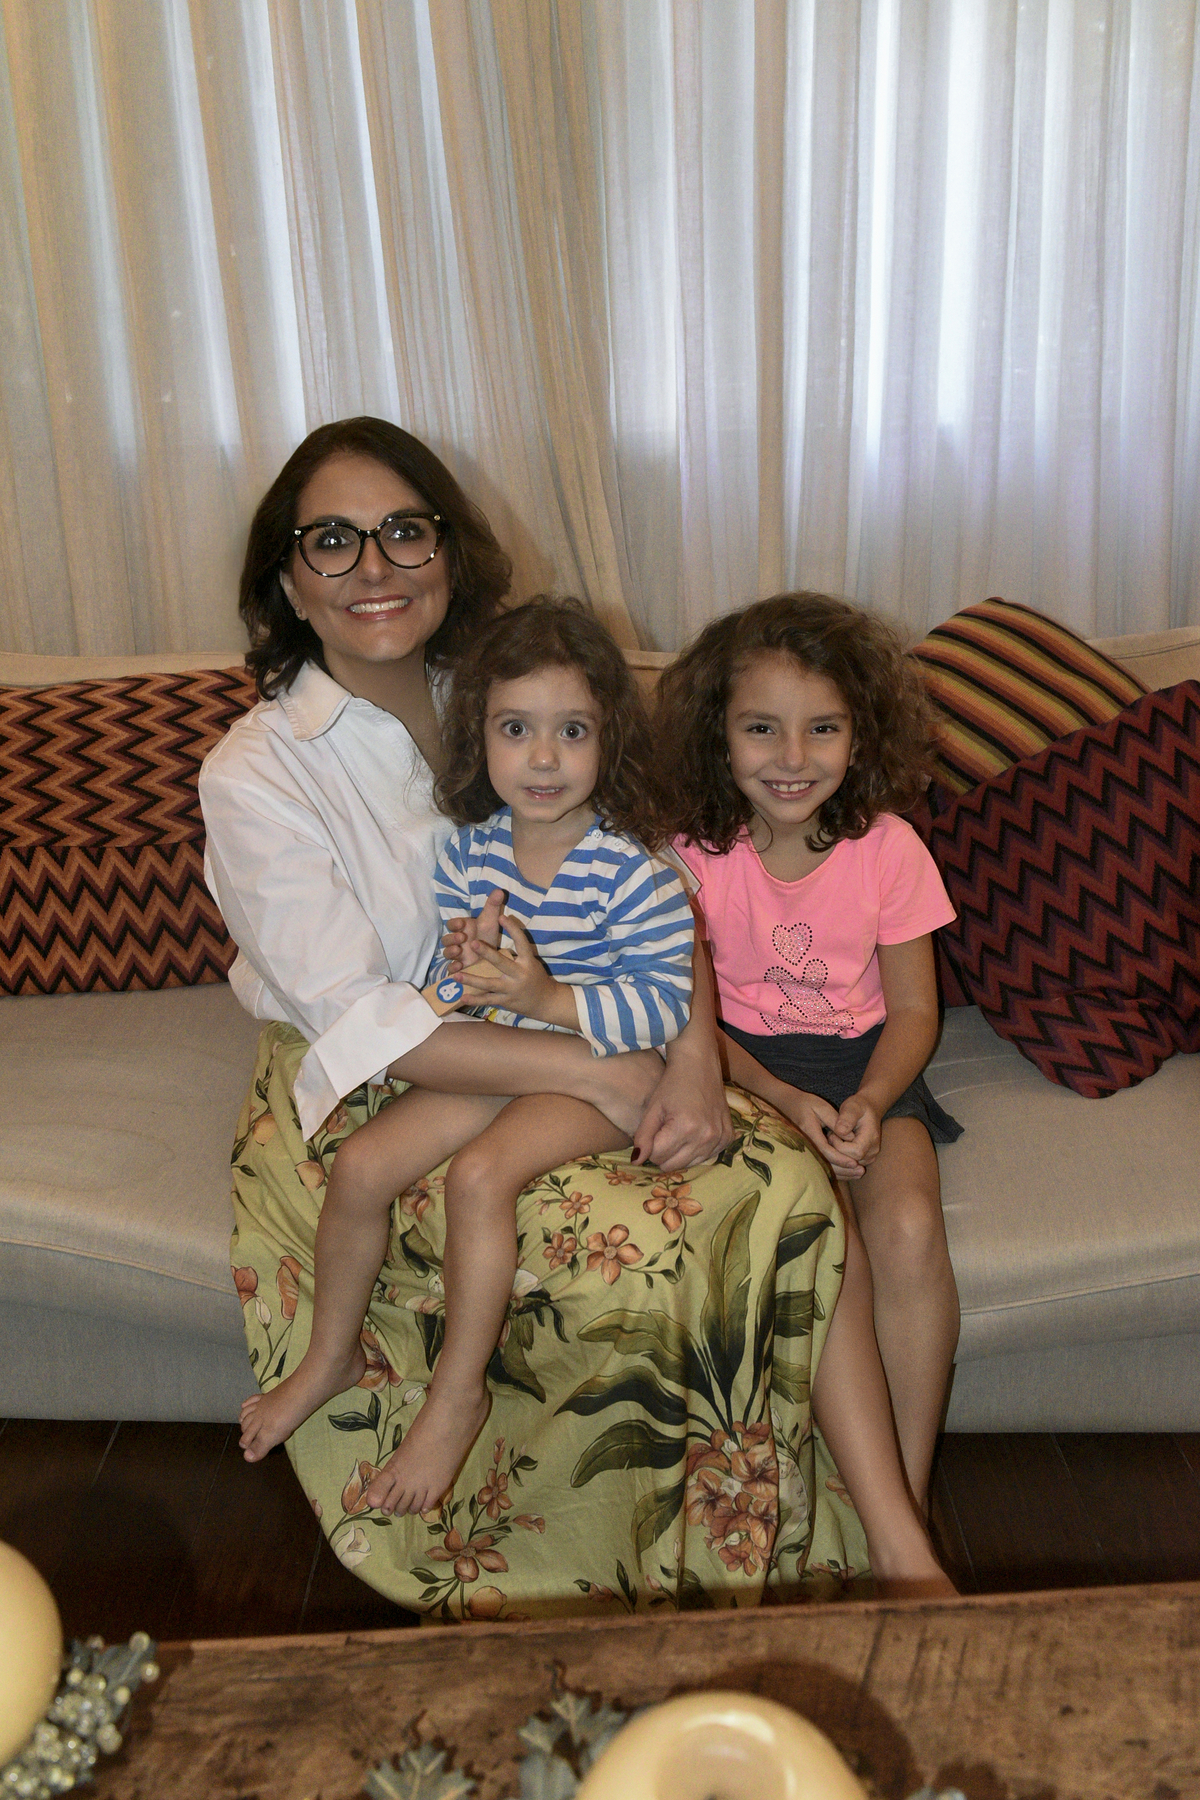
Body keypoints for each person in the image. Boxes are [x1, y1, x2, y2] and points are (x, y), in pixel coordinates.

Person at [201, 420, 949, 1614]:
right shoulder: (259, 771)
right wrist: (604, 1069)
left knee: (774, 1192)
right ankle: (606, 1552)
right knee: (637, 1230)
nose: (375, 565)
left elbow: (661, 892)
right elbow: (368, 1021)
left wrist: (692, 1060)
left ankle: (879, 1539)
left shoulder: (505, 679)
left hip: (579, 1033)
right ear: (287, 579)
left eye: (404, 531)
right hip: (391, 1063)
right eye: (330, 541)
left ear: (449, 552)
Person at [237, 597, 695, 1516]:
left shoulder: (632, 870)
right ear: (478, 736)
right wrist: (462, 979)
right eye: (515, 729)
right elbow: (455, 974)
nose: (543, 758)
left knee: (479, 1177)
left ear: (610, 740)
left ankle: (457, 1396)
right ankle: (329, 1357)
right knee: (361, 1165)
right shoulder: (470, 855)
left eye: (572, 731)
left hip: (599, 1069)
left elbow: (664, 999)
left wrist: (547, 1001)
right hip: (506, 1053)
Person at [658, 592, 963, 1511]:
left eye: (822, 728)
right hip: (741, 1070)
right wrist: (786, 1102)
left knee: (908, 1230)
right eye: (762, 729)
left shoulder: (890, 848)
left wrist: (870, 1098)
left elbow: (915, 1010)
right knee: (838, 1249)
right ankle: (852, 1488)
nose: (793, 758)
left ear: (860, 736)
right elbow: (687, 1019)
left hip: (869, 1066)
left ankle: (904, 1499)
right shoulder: (687, 856)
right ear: (718, 736)